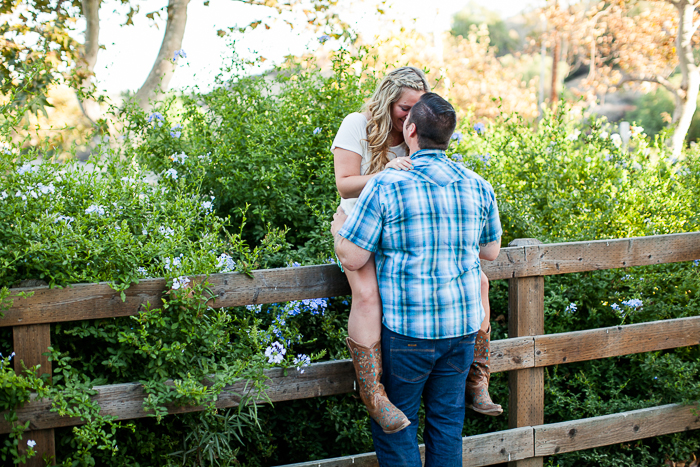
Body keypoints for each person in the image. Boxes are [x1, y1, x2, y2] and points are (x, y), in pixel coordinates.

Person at [331, 92, 502, 466]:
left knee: (396, 429)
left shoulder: (386, 184)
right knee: (446, 426)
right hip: (461, 331)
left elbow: (354, 256)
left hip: (409, 334)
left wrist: (338, 229)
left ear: (410, 130)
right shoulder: (477, 184)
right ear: (449, 135)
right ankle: (481, 381)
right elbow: (490, 252)